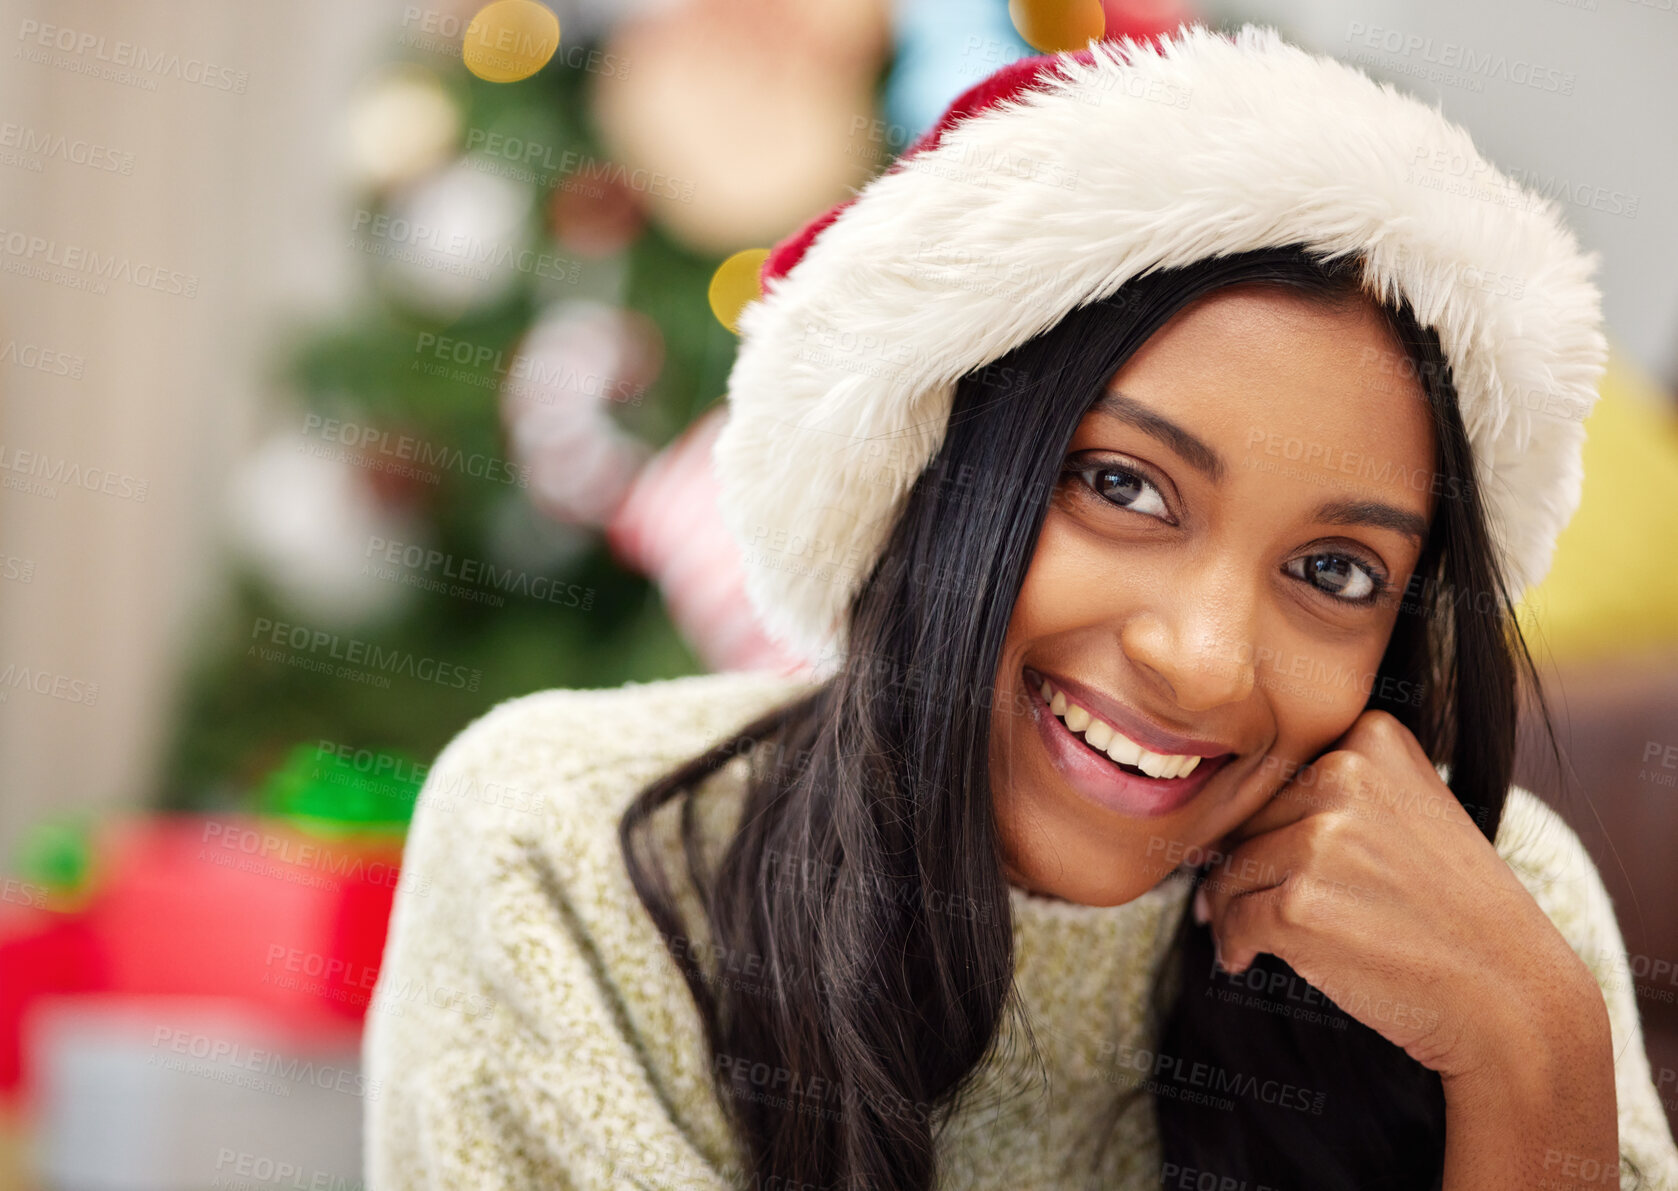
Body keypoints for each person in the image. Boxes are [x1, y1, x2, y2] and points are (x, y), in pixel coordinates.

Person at [363, 24, 1678, 1191]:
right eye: (1122, 485)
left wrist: (1529, 1060)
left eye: (1335, 573)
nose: (1203, 662)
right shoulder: (574, 852)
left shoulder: (1500, 919)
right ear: (934, 462)